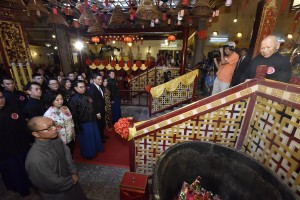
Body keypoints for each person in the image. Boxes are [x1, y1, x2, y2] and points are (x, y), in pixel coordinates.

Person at [26, 116, 87, 200]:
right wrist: (71, 180)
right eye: (48, 128)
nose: (55, 128)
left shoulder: (56, 139)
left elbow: (67, 155)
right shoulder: (35, 159)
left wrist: (73, 172)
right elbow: (49, 183)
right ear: (35, 134)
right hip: (57, 193)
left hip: (71, 181)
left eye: (53, 124)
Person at [0, 91, 31, 197]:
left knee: (26, 167)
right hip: (6, 152)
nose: (1, 100)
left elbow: (22, 125)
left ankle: (30, 183)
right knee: (14, 172)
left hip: (21, 146)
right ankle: (21, 189)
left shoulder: (12, 108)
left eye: (1, 97)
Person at [68, 80, 103, 159]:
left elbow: (93, 106)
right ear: (75, 88)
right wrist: (77, 126)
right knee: (86, 140)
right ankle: (88, 154)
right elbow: (74, 114)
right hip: (83, 123)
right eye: (80, 87)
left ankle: (96, 149)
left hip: (92, 120)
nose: (83, 88)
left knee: (94, 136)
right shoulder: (73, 99)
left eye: (84, 86)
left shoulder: (87, 95)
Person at [88, 74, 108, 142]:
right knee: (98, 125)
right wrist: (97, 112)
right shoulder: (92, 89)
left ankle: (102, 135)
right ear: (94, 80)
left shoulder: (100, 87)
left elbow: (102, 98)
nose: (100, 81)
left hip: (102, 108)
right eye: (98, 79)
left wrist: (104, 106)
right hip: (97, 111)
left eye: (101, 79)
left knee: (102, 123)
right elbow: (93, 103)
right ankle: (100, 138)